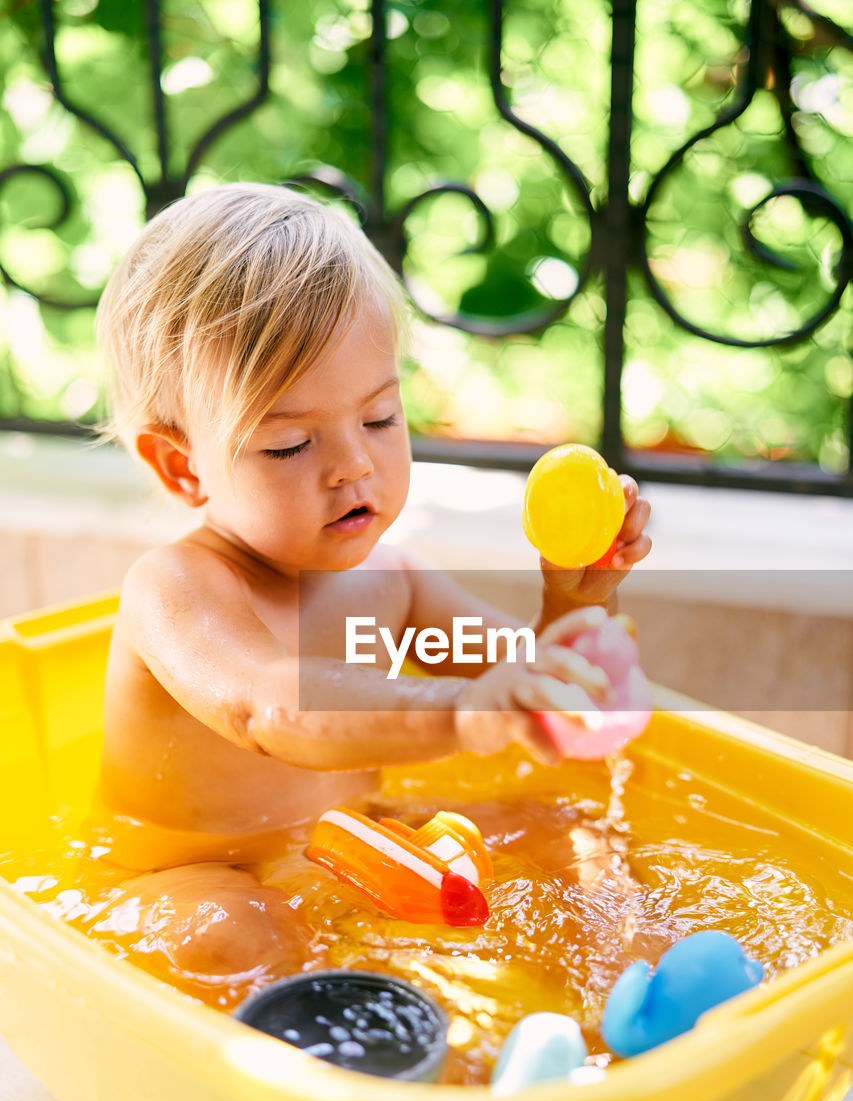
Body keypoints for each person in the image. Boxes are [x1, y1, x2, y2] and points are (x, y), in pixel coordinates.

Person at [94, 182, 651, 866]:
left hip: (358, 838)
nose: (353, 465)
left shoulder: (396, 584)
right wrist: (460, 712)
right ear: (183, 468)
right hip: (204, 868)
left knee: (557, 833)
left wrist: (576, 597)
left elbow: (538, 682)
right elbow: (269, 708)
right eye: (289, 445)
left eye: (380, 418)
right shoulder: (175, 590)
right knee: (227, 937)